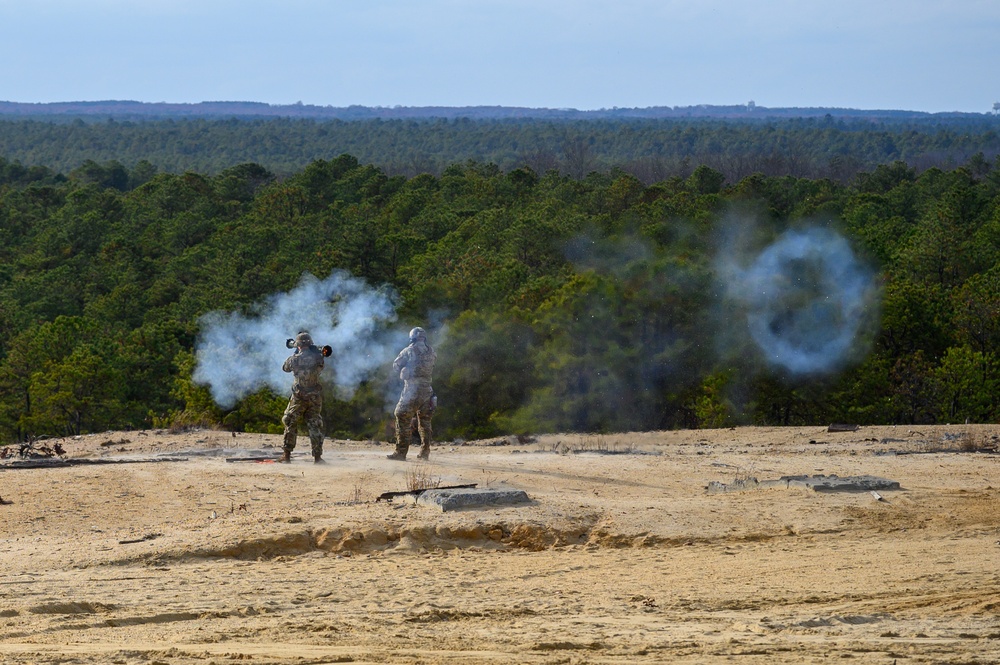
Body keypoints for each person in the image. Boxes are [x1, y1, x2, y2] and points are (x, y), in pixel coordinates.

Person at [388, 327, 436, 461]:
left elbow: (396, 365)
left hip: (412, 390)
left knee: (401, 416)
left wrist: (404, 369)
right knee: (425, 422)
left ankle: (401, 453)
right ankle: (424, 452)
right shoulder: (431, 351)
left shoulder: (409, 350)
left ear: (412, 337)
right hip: (428, 391)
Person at [280, 331, 325, 463]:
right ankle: (317, 457)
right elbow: (320, 367)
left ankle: (287, 455)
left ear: (298, 345)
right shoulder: (319, 358)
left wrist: (295, 354)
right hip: (314, 397)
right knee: (315, 424)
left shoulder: (294, 359)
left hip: (298, 397)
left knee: (289, 421)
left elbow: (285, 368)